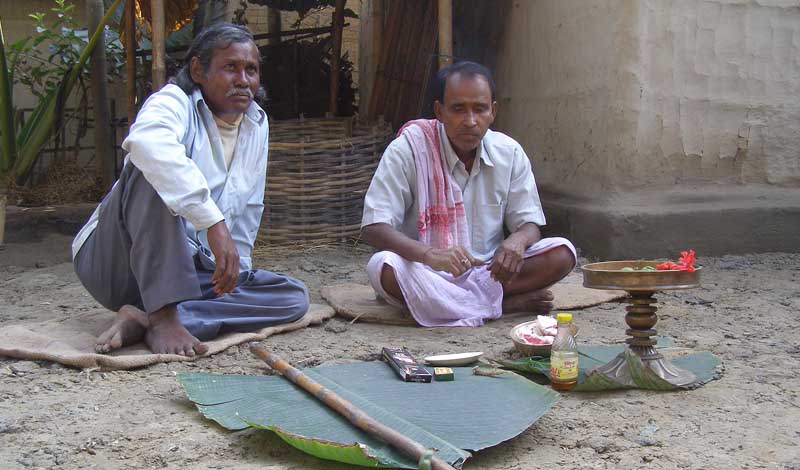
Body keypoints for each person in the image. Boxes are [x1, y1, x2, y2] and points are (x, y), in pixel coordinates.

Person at [72, 23, 309, 356]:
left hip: (185, 270)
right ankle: (164, 315)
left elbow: (249, 206)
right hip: (114, 263)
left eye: (251, 70)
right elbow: (146, 144)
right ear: (198, 70)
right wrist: (212, 221)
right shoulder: (173, 102)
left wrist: (234, 274)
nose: (243, 80)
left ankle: (158, 318)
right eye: (230, 67)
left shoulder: (257, 123)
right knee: (151, 170)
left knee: (292, 297)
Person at [360, 61, 576, 327]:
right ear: (439, 111)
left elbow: (530, 224)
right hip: (427, 272)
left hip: (491, 274)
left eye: (480, 109)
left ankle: (454, 305)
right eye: (458, 109)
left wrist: (517, 241)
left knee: (562, 253)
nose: (470, 121)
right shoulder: (409, 149)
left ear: (493, 111)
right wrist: (429, 254)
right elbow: (373, 227)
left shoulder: (509, 152)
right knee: (384, 268)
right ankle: (503, 306)